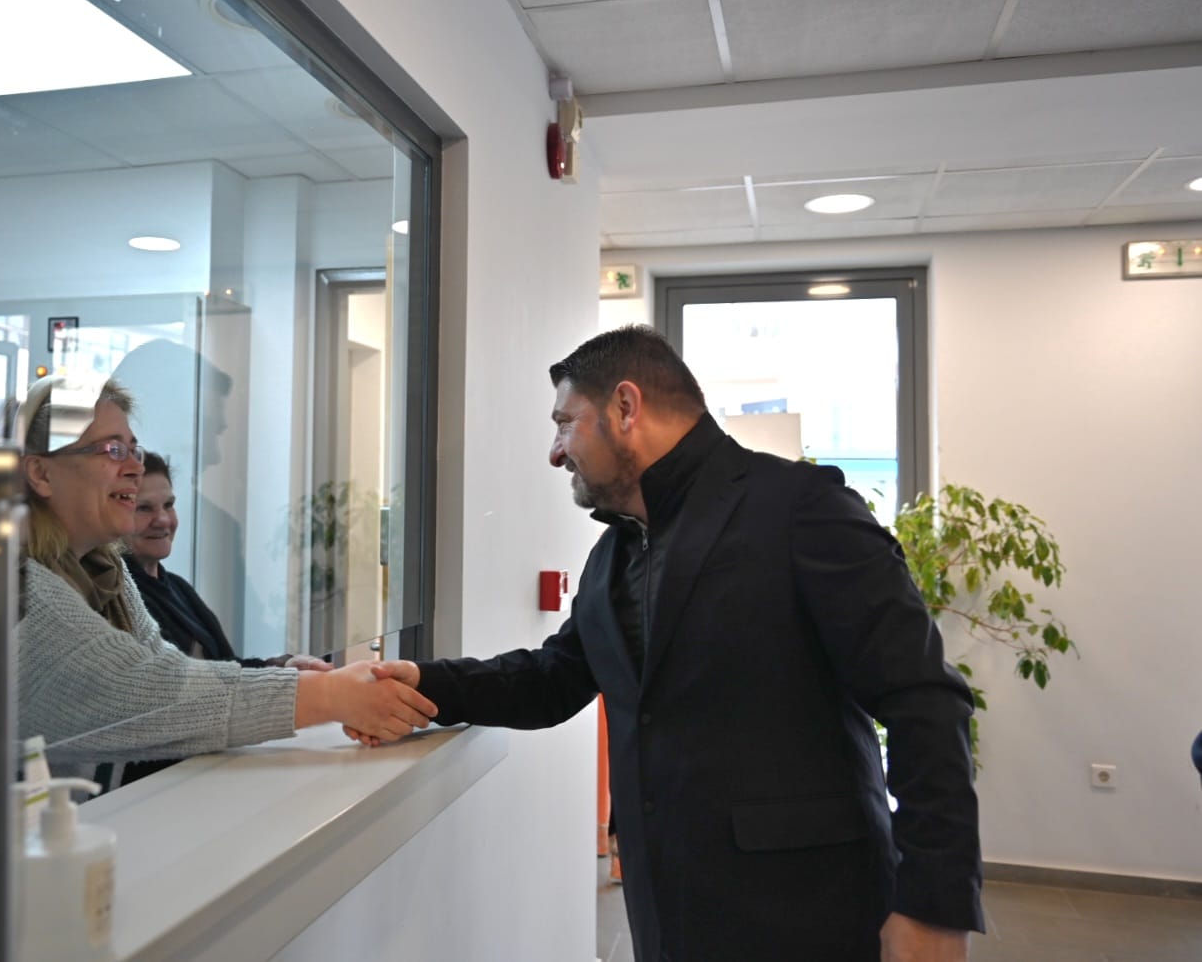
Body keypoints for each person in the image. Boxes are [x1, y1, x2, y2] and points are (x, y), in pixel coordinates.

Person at [362, 326, 983, 960]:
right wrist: (423, 683)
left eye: (565, 423)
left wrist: (933, 906)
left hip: (812, 914)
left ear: (625, 407)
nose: (555, 452)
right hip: (669, 917)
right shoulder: (613, 555)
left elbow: (924, 699)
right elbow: (554, 677)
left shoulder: (801, 508)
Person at [0, 376, 435, 783]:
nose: (134, 466)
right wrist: (329, 696)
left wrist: (289, 678)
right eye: (111, 449)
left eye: (133, 448)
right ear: (40, 474)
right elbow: (145, 692)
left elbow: (163, 667)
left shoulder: (100, 569)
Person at [122, 450, 321, 670]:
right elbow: (180, 679)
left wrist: (285, 666)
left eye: (168, 505)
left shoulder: (179, 588)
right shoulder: (118, 597)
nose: (163, 520)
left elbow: (225, 668)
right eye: (144, 508)